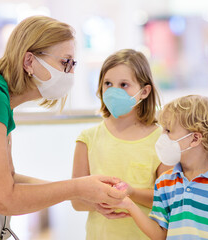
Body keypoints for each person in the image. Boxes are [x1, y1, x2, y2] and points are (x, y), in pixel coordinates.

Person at [0, 16, 127, 238]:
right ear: (29, 61)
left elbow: (8, 179)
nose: (70, 73)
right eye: (65, 62)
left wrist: (82, 192)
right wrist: (78, 188)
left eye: (73, 64)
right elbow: (3, 199)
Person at [107, 95, 208, 240]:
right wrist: (129, 205)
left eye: (168, 131)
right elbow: (160, 235)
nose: (162, 136)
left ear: (195, 139)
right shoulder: (164, 182)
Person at [71, 49, 170, 239]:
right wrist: (99, 204)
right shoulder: (87, 138)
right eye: (108, 83)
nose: (114, 90)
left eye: (124, 84)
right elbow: (76, 201)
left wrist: (130, 193)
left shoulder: (161, 140)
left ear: (144, 91)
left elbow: (166, 199)